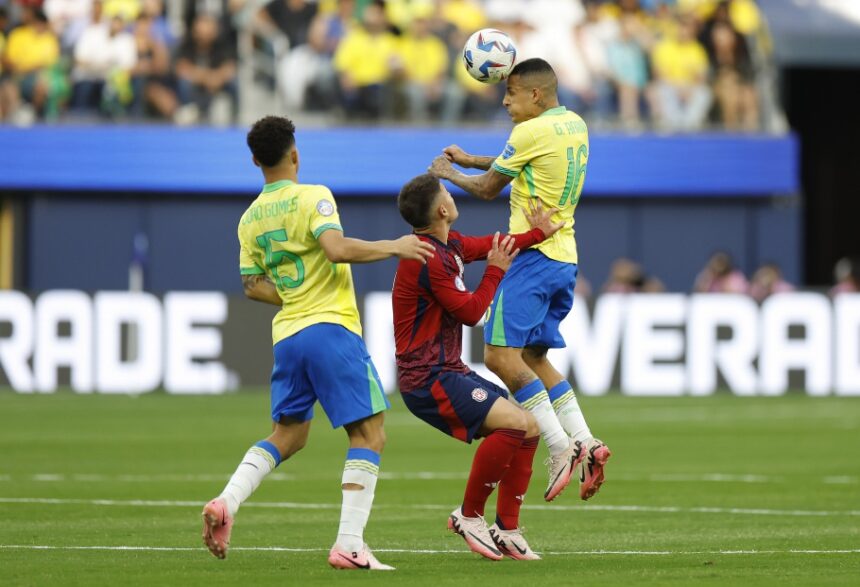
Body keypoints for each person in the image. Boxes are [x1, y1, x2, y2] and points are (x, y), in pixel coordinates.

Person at [201, 116, 434, 571]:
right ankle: (349, 544)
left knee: (289, 435)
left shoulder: (249, 219)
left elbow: (251, 285)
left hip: (288, 335)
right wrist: (395, 246)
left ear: (254, 161)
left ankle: (228, 501)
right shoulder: (314, 196)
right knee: (369, 433)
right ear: (295, 154)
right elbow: (336, 249)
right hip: (330, 326)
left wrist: (293, 293)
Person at [428, 58, 611, 503]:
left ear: (534, 95)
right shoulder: (573, 123)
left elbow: (491, 187)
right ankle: (586, 440)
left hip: (531, 258)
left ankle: (559, 446)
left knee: (498, 356)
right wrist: (473, 158)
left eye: (510, 93)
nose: (504, 100)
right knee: (532, 357)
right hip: (564, 257)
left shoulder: (527, 132)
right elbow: (520, 161)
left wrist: (450, 174)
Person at [394, 174, 563, 560]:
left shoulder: (447, 244)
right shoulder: (423, 258)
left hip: (446, 370)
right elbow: (471, 313)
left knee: (530, 425)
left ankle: (507, 528)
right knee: (516, 423)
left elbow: (494, 245)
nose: (452, 198)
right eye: (447, 194)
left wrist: (537, 234)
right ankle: (468, 516)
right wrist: (495, 270)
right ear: (441, 209)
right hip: (427, 378)